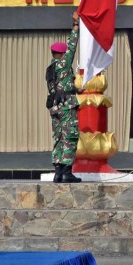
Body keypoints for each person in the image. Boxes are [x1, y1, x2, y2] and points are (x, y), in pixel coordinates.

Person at [46, 11, 82, 183]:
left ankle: (58, 172)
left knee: (59, 137)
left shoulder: (51, 68)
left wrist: (75, 88)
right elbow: (73, 45)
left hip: (55, 106)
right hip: (66, 106)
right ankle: (66, 172)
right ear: (61, 54)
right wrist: (75, 25)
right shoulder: (63, 63)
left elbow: (61, 86)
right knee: (70, 137)